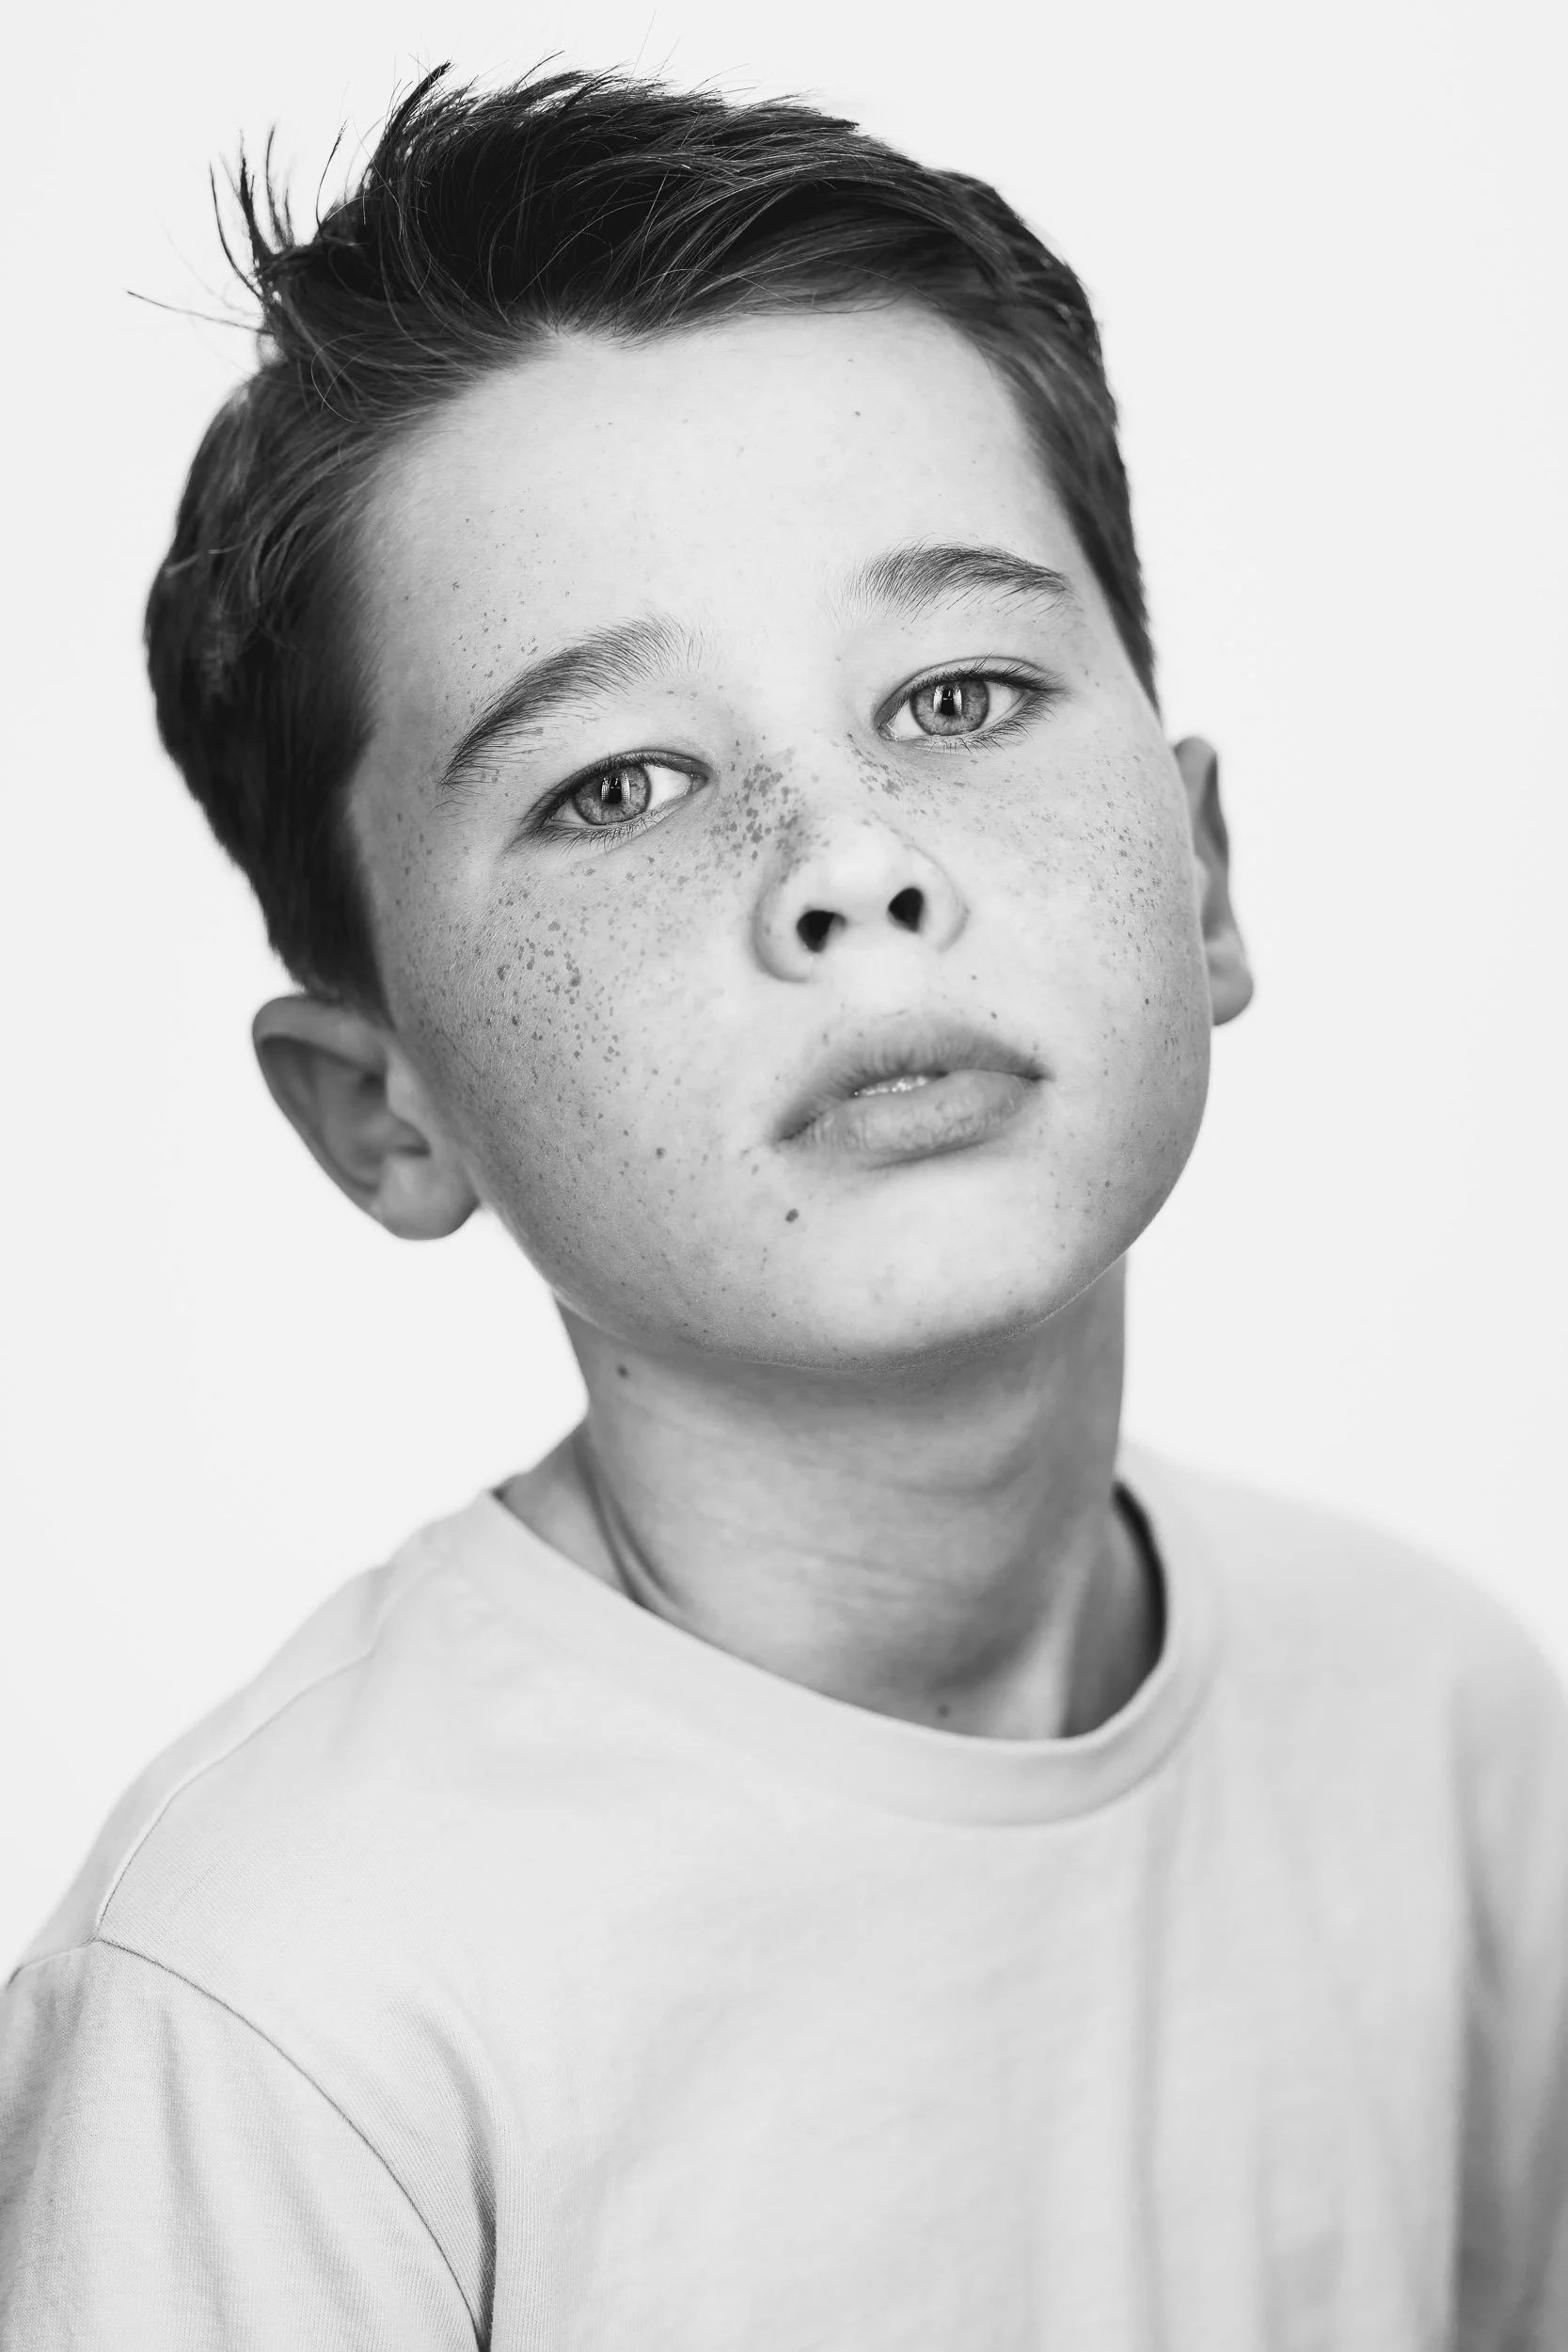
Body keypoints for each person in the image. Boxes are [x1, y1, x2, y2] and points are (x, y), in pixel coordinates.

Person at [1, 61, 1563, 2350]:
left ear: (1203, 877)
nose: (849, 862)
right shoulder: (282, 2003)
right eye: (617, 780)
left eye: (954, 689)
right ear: (379, 1108)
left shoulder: (1434, 1718)